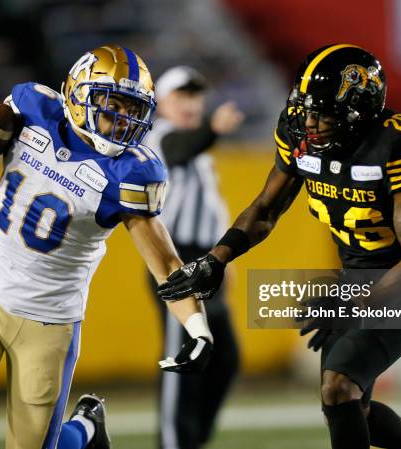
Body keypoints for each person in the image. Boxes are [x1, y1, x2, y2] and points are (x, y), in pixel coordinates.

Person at [158, 44, 401, 449]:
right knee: (345, 407)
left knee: (339, 387)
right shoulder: (299, 133)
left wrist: (351, 306)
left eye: (322, 113)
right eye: (306, 109)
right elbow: (267, 208)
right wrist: (216, 259)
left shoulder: (397, 142)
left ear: (360, 110)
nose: (309, 122)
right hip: (359, 275)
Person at [0, 44, 213, 449]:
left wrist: (198, 328)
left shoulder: (130, 173)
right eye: (112, 104)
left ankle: (84, 429)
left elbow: (166, 263)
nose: (123, 120)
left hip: (49, 323)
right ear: (78, 94)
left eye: (134, 110)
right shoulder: (30, 109)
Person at [144, 66, 243, 449]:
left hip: (202, 262)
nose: (190, 104)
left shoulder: (198, 148)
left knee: (225, 359)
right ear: (162, 103)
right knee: (184, 359)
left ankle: (191, 441)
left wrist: (221, 264)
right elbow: (180, 149)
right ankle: (173, 444)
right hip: (174, 262)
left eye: (195, 97)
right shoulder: (161, 137)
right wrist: (214, 129)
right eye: (181, 97)